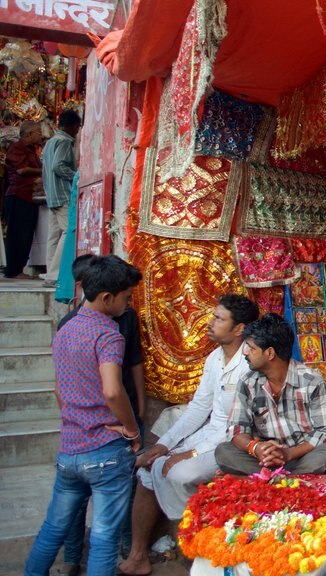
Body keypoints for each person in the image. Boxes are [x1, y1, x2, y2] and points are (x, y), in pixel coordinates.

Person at [117, 293, 259, 576]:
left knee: (178, 472)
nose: (210, 323)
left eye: (219, 319)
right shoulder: (214, 358)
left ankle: (202, 548)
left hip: (235, 442)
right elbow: (198, 408)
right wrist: (165, 445)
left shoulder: (249, 364)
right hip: (211, 433)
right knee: (148, 469)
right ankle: (138, 555)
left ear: (239, 329)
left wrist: (190, 453)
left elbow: (237, 427)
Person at [24, 255, 142, 576]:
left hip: (70, 451)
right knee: (104, 538)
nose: (129, 304)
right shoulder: (108, 334)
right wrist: (132, 430)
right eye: (126, 298)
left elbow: (60, 391)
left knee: (52, 528)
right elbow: (113, 392)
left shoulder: (66, 330)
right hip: (104, 451)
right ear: (107, 298)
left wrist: (77, 421)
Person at [215, 313, 326, 475]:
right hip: (263, 459)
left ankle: (272, 481)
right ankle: (285, 481)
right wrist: (256, 448)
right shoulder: (247, 382)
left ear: (269, 353)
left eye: (251, 348)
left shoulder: (311, 381)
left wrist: (288, 454)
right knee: (223, 451)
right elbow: (237, 428)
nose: (245, 353)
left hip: (301, 456)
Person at [41, 110, 81, 287]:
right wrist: (75, 177)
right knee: (67, 232)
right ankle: (55, 274)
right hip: (63, 193)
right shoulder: (65, 142)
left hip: (51, 193)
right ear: (73, 126)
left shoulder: (50, 142)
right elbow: (59, 166)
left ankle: (50, 271)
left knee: (53, 236)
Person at [3, 121, 42, 280]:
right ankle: (13, 270)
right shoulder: (17, 148)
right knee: (17, 234)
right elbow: (21, 170)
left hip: (29, 196)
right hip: (18, 196)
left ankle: (18, 268)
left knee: (26, 235)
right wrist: (43, 170)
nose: (40, 134)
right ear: (29, 134)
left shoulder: (32, 150)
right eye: (38, 132)